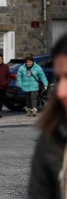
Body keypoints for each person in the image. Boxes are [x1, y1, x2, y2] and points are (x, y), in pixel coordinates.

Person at [28, 33, 67, 199]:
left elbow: (42, 77)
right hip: (27, 89)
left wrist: (43, 83)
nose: (60, 91)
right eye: (59, 78)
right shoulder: (52, 138)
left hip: (34, 89)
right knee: (30, 103)